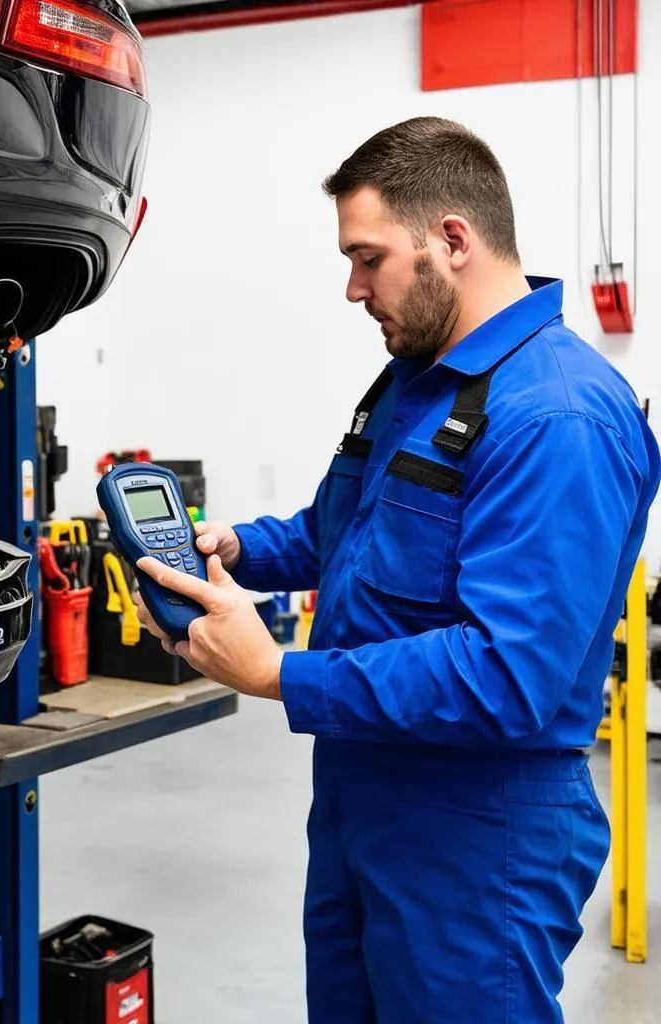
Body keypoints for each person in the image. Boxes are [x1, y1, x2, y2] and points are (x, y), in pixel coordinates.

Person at [134, 116, 661, 1023]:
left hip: (477, 829)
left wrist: (279, 673)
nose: (351, 288)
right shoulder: (418, 383)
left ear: (451, 239)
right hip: (364, 794)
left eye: (366, 257)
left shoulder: (558, 416)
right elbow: (351, 532)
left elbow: (510, 674)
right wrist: (238, 548)